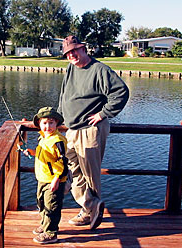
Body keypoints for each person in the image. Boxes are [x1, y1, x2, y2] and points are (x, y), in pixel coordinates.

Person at [58, 35, 129, 230]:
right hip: (71, 129)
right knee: (71, 170)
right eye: (67, 53)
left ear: (83, 49)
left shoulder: (99, 70)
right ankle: (90, 206)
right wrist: (59, 118)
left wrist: (103, 114)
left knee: (90, 175)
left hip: (90, 130)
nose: (71, 55)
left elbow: (121, 92)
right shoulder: (71, 68)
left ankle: (90, 213)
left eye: (74, 50)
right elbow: (65, 94)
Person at [20, 107, 69, 244]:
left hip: (54, 180)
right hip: (42, 178)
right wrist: (32, 152)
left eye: (51, 122)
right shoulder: (43, 137)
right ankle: (45, 224)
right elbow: (45, 155)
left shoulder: (57, 140)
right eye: (44, 123)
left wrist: (56, 179)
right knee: (41, 203)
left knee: (52, 206)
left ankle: (51, 233)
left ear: (57, 123)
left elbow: (62, 161)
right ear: (39, 124)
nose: (48, 126)